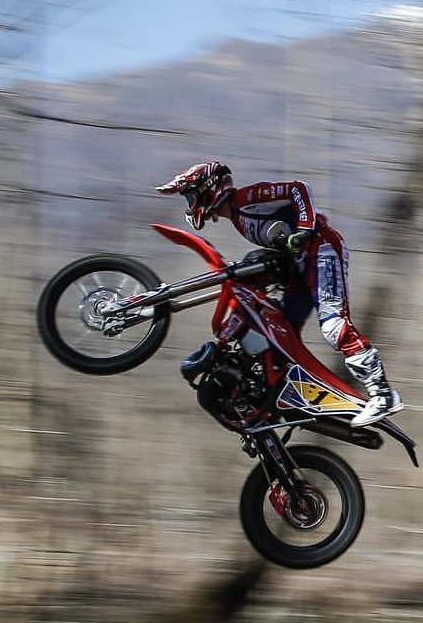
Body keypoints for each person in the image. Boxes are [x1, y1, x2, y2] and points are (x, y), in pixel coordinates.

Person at [155, 161, 404, 427]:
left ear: (208, 188)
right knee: (280, 331)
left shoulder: (246, 199)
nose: (191, 203)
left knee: (333, 325)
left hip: (322, 250)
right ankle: (278, 397)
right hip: (300, 265)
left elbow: (298, 189)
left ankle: (382, 395)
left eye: (191, 196)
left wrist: (305, 229)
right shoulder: (239, 219)